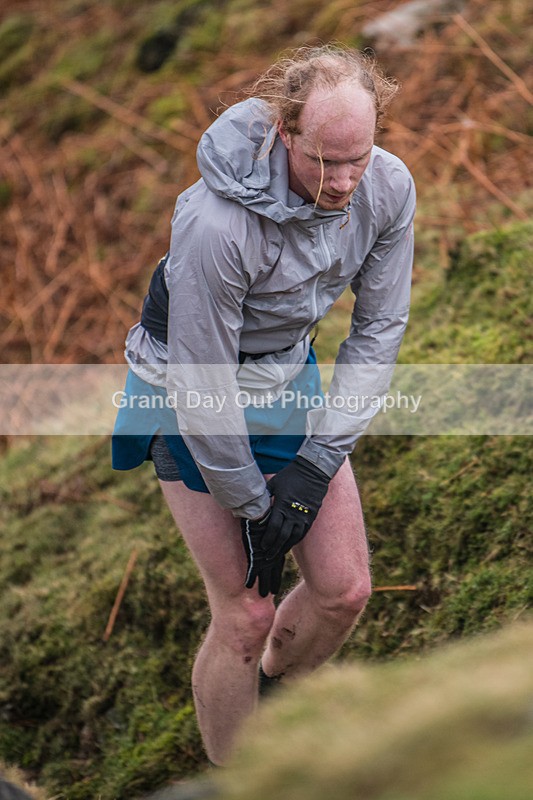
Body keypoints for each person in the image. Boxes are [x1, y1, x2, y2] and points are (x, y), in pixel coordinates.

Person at [112, 44, 415, 766]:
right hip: (187, 394)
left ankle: (271, 710)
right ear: (284, 132)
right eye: (321, 161)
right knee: (245, 617)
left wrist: (316, 465)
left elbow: (377, 331)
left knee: (342, 591)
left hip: (283, 378)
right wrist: (254, 507)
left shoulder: (388, 187)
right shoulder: (215, 226)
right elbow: (201, 383)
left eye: (358, 158)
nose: (342, 182)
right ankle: (231, 778)